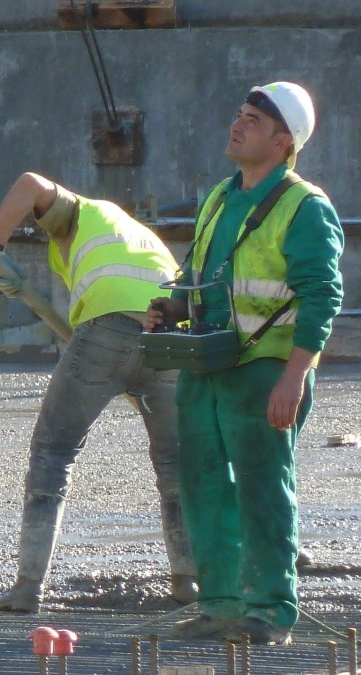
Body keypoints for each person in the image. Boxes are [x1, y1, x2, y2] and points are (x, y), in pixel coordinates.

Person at [146, 81, 343, 645]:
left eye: (252, 120)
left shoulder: (305, 206)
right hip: (207, 364)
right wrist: (173, 305)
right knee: (203, 485)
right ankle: (221, 604)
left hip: (265, 369)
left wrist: (294, 376)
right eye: (239, 114)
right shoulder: (219, 197)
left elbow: (321, 296)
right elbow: (199, 276)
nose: (237, 125)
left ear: (285, 141)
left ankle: (271, 610)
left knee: (261, 486)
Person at [0, 172, 197, 613]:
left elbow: (27, 183)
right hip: (170, 335)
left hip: (109, 332)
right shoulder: (136, 239)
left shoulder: (82, 213)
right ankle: (187, 582)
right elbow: (88, 335)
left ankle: (27, 589)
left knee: (52, 452)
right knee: (177, 466)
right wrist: (28, 292)